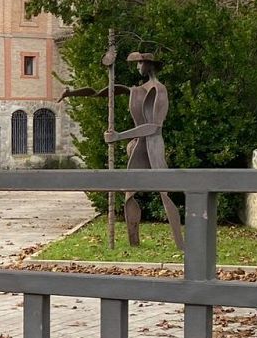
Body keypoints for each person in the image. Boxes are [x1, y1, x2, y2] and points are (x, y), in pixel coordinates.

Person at [62, 51, 184, 250]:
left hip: (153, 145)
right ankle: (134, 243)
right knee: (129, 194)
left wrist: (119, 136)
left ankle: (180, 244)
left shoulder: (159, 90)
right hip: (139, 146)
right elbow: (105, 92)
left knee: (164, 192)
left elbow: (154, 127)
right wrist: (72, 93)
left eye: (140, 63)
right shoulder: (139, 89)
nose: (137, 67)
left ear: (149, 65)